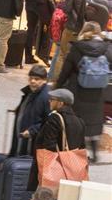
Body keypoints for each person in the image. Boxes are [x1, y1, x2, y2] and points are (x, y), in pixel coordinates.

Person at [56, 21, 112, 159]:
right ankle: (94, 152)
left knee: (77, 120)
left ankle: (75, 151)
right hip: (98, 91)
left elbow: (66, 70)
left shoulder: (78, 48)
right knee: (95, 120)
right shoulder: (106, 48)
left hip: (78, 89)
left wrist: (58, 85)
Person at [28, 88, 86, 189]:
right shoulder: (80, 122)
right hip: (72, 172)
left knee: (44, 199)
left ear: (60, 103)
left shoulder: (55, 118)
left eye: (52, 99)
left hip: (54, 172)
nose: (49, 101)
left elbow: (48, 145)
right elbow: (82, 147)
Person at [11, 66, 50, 157]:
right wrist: (20, 109)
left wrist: (32, 131)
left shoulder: (46, 97)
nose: (32, 81)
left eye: (37, 79)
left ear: (44, 80)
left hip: (31, 143)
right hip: (22, 139)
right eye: (31, 78)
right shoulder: (31, 91)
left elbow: (48, 122)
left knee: (24, 166)